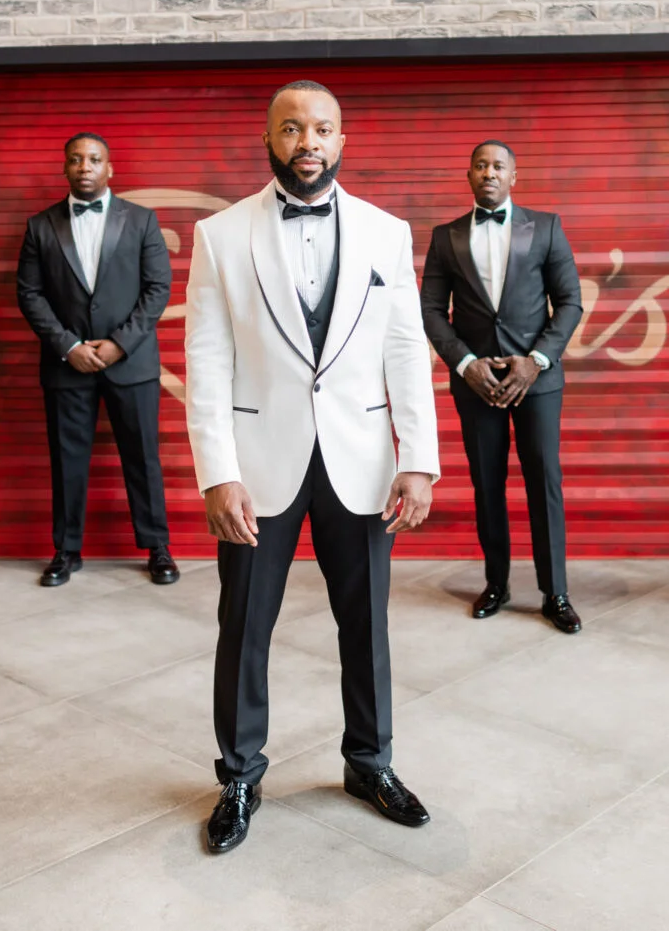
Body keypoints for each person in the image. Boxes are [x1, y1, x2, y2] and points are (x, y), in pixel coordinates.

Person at [184, 80, 440, 853]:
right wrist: (216, 472)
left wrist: (418, 459)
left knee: (365, 626)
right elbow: (206, 360)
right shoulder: (220, 235)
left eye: (322, 128)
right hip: (259, 464)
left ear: (342, 140)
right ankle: (239, 773)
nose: (308, 143)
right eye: (292, 128)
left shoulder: (386, 233)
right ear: (270, 138)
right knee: (245, 626)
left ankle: (370, 762)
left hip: (361, 460)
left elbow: (404, 349)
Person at [420, 140, 584, 633]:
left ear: (515, 176)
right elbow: (430, 309)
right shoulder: (446, 236)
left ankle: (555, 592)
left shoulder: (547, 227)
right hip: (476, 385)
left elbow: (570, 302)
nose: (488, 172)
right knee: (486, 485)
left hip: (536, 381)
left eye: (498, 166)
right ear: (469, 175)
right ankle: (496, 583)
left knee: (544, 485)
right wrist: (466, 363)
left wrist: (535, 362)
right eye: (480, 165)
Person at [16, 133, 178, 587]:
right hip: (68, 365)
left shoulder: (142, 220)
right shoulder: (40, 226)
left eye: (94, 159)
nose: (84, 166)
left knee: (143, 458)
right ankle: (66, 551)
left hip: (132, 363)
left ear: (110, 169)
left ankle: (158, 548)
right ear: (65, 169)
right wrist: (68, 346)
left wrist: (118, 344)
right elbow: (29, 294)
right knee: (67, 461)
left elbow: (157, 288)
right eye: (75, 160)